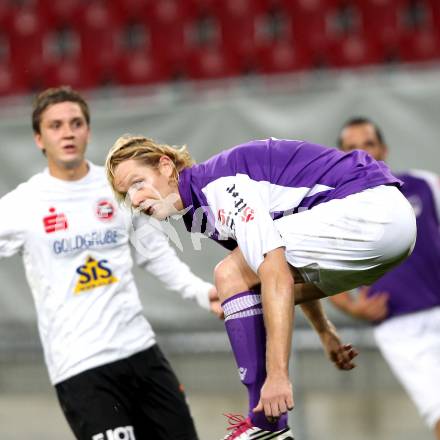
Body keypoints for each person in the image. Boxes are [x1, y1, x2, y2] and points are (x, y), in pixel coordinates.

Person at [105, 135, 417, 440]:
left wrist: (279, 375)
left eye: (138, 183)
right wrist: (324, 331)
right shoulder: (203, 202)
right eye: (126, 194)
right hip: (389, 231)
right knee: (253, 286)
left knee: (231, 275)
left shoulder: (220, 186)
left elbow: (275, 272)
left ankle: (267, 425)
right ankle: (268, 423)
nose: (135, 199)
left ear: (165, 166)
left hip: (371, 212)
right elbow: (282, 271)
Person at [0, 87, 222, 440]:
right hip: (81, 369)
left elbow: (153, 252)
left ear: (88, 130)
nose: (68, 132)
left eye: (76, 123)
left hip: (141, 351)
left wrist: (201, 292)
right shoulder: (23, 204)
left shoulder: (116, 188)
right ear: (39, 139)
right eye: (56, 126)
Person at [330, 117, 440, 439]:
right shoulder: (337, 211)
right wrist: (352, 309)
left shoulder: (424, 186)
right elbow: (322, 273)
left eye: (368, 144)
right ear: (341, 157)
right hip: (401, 331)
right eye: (351, 148)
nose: (362, 153)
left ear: (384, 149)